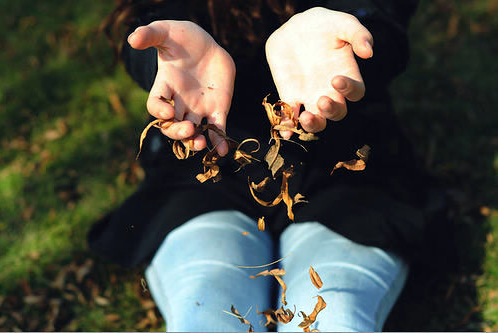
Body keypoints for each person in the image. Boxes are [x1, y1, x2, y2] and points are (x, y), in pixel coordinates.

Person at [88, 0, 437, 331]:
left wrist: (354, 36)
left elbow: (385, 18)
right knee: (206, 309)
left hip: (341, 171)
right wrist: (163, 56)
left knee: (333, 314)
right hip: (204, 171)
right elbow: (143, 25)